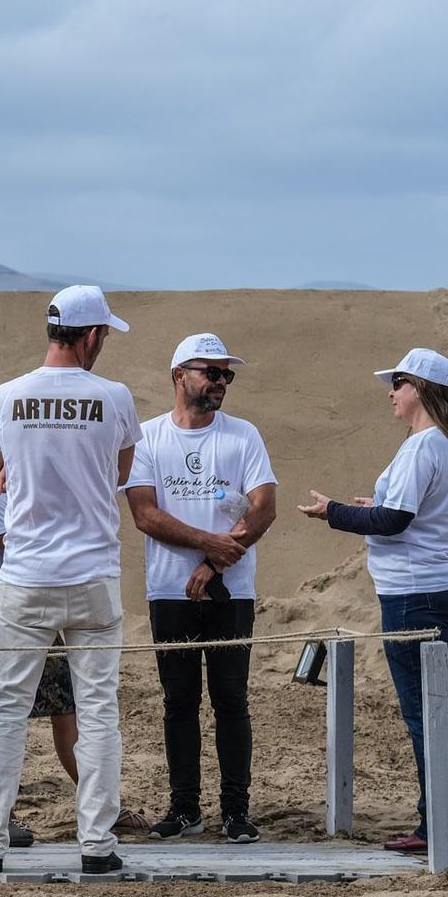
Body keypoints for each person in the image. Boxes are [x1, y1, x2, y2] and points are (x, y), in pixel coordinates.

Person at [0, 286, 139, 876]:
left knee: (4, 708)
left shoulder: (5, 396)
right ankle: (98, 845)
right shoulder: (115, 397)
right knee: (99, 709)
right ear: (91, 335)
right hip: (95, 572)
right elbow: (120, 475)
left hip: (26, 574)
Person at [299, 347, 448, 854]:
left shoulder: (424, 445)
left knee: (427, 713)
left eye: (398, 383)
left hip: (415, 591)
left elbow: (395, 521)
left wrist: (331, 512)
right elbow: (413, 513)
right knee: (446, 711)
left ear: (420, 388)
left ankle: (437, 826)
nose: (391, 393)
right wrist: (374, 507)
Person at [124, 333, 278, 845]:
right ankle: (184, 807)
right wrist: (209, 541)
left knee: (232, 699)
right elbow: (145, 514)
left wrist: (213, 561)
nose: (220, 382)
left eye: (226, 374)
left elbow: (263, 508)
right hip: (169, 590)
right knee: (179, 701)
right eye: (210, 372)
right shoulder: (146, 437)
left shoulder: (243, 436)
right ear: (179, 376)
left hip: (230, 592)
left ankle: (237, 810)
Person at [0, 449, 79, 791]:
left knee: (65, 704)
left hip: (34, 609)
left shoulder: (24, 479)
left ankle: (94, 795)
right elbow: (16, 545)